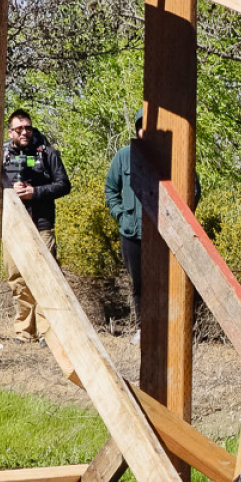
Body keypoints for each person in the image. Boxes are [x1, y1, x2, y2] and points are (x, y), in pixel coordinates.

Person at [2, 109, 71, 343]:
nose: (24, 132)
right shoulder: (1, 155)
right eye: (19, 128)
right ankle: (24, 331)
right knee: (17, 278)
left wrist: (35, 192)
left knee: (46, 277)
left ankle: (47, 332)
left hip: (42, 224)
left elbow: (64, 185)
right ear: (10, 131)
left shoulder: (47, 153)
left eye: (27, 128)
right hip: (13, 226)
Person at [102, 113, 147, 343]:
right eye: (141, 127)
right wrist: (121, 215)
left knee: (165, 284)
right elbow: (110, 189)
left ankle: (166, 330)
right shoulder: (124, 156)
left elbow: (194, 187)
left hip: (164, 235)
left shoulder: (172, 154)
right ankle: (142, 329)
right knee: (138, 283)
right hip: (132, 233)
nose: (145, 132)